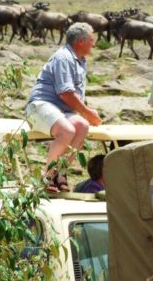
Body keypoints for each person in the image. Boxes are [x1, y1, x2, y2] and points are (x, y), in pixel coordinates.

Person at [26, 22, 102, 192]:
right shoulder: (63, 58)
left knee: (82, 126)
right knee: (67, 130)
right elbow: (66, 93)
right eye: (91, 40)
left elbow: (74, 96)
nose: (94, 44)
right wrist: (88, 112)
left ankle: (61, 172)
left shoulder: (80, 61)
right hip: (39, 106)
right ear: (81, 41)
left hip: (61, 111)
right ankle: (47, 177)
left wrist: (87, 114)